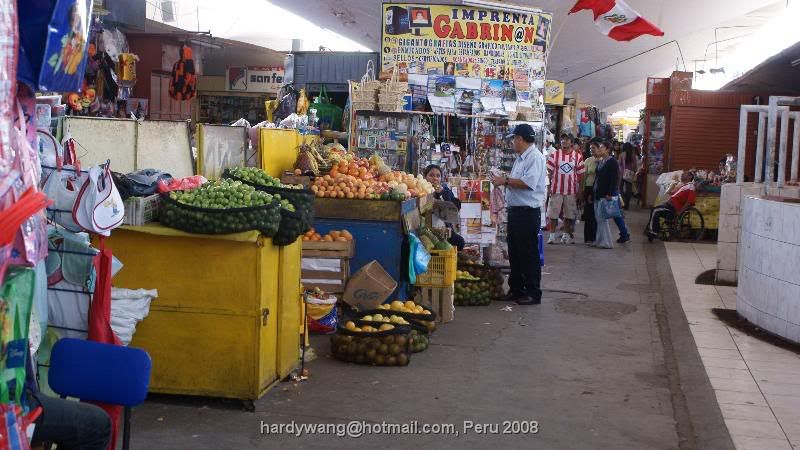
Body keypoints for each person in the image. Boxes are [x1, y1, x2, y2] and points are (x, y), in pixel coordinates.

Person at [491, 124, 547, 305]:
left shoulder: (534, 158)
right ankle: (516, 288)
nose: (512, 142)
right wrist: (505, 178)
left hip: (527, 213)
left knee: (528, 253)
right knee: (515, 252)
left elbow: (528, 182)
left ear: (520, 139)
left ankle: (533, 291)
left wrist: (505, 180)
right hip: (516, 211)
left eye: (514, 139)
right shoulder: (521, 158)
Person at [546, 134, 585, 244]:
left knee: (569, 214)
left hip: (571, 190)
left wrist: (580, 190)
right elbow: (548, 172)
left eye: (567, 139)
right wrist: (549, 187)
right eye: (562, 139)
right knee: (553, 213)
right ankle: (552, 235)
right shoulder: (554, 155)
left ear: (571, 142)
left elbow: (581, 175)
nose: (564, 141)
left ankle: (565, 235)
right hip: (556, 189)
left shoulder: (577, 156)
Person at [424, 164, 465, 250]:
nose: (435, 178)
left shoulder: (445, 190)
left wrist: (441, 193)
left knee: (460, 242)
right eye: (431, 175)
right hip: (428, 230)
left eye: (438, 176)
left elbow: (456, 206)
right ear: (425, 177)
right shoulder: (422, 192)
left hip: (444, 229)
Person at [646, 171, 696, 241]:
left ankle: (653, 232)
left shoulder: (690, 186)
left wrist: (680, 212)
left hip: (674, 209)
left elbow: (689, 202)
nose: (682, 175)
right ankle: (653, 230)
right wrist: (672, 185)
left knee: (655, 210)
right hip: (669, 206)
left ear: (690, 177)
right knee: (655, 209)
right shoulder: (683, 186)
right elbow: (671, 193)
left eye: (684, 174)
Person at [593, 139, 622, 249]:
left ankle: (606, 242)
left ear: (608, 150)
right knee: (598, 218)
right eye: (599, 147)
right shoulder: (601, 161)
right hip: (598, 192)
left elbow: (614, 179)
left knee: (602, 219)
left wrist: (610, 193)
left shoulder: (612, 162)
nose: (600, 149)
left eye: (602, 148)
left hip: (605, 194)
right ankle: (599, 240)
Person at [582, 139, 598, 244]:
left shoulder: (603, 160)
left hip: (599, 189)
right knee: (589, 214)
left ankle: (596, 237)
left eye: (594, 148)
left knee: (597, 214)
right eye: (590, 148)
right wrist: (582, 191)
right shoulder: (588, 160)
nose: (591, 150)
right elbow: (584, 177)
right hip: (589, 188)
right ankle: (588, 238)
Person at [619, 143, 636, 210]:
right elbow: (635, 166)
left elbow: (619, 164)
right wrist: (634, 172)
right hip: (630, 174)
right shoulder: (633, 155)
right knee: (629, 189)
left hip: (622, 173)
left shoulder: (622, 154)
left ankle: (623, 202)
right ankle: (627, 204)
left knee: (620, 188)